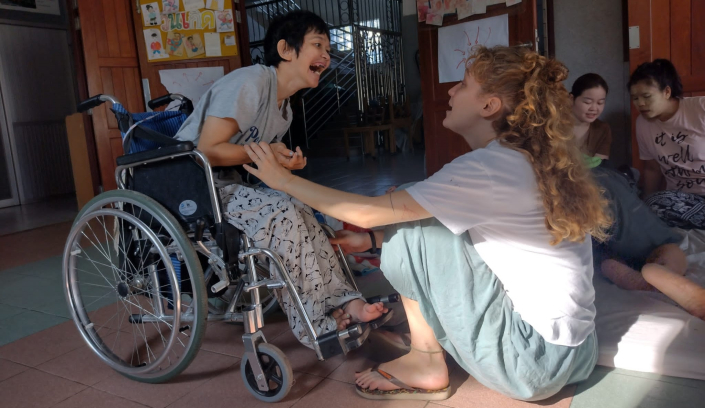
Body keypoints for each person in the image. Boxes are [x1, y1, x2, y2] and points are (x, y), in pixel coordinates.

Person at [241, 46, 611, 401]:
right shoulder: (524, 159)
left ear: (489, 105)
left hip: (530, 360)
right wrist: (374, 241)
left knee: (408, 212)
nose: (451, 91)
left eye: (463, 84)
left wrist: (282, 180)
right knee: (418, 209)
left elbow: (369, 212)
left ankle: (425, 361)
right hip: (577, 352)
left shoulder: (489, 167)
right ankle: (424, 339)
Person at [174, 10, 385, 348]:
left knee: (303, 205)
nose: (327, 56)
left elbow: (254, 163)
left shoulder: (284, 108)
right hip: (194, 186)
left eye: (329, 50)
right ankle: (314, 322)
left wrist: (284, 165)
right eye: (318, 45)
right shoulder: (251, 82)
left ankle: (345, 301)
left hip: (229, 186)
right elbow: (207, 150)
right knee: (282, 214)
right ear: (286, 49)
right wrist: (269, 154)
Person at [629, 59, 705, 229]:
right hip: (680, 201)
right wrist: (646, 205)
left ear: (667, 92)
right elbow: (652, 169)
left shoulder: (700, 108)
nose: (640, 103)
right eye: (635, 98)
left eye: (647, 96)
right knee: (645, 207)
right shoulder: (643, 123)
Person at [570, 73, 611, 168]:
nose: (594, 108)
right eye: (587, 102)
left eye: (600, 103)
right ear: (571, 99)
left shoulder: (602, 129)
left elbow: (600, 168)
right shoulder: (554, 125)